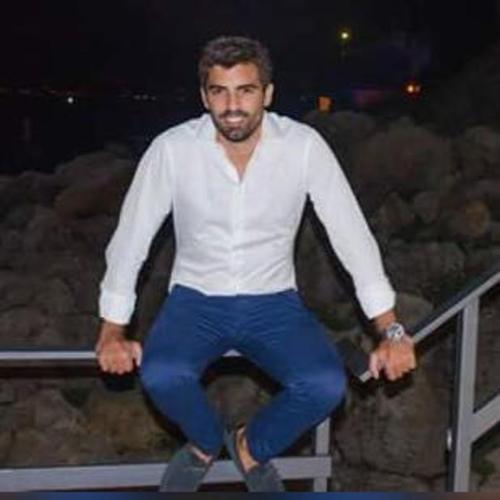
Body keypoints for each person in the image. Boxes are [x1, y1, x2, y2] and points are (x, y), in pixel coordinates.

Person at [95, 36, 417, 492]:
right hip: (194, 300)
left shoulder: (303, 147)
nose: (232, 107)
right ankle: (205, 443)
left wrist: (391, 330)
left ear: (267, 93)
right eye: (220, 92)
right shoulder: (172, 150)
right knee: (162, 375)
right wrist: (113, 330)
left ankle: (249, 447)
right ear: (204, 96)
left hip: (273, 302)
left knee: (324, 385)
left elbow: (351, 237)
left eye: (245, 91)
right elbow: (131, 240)